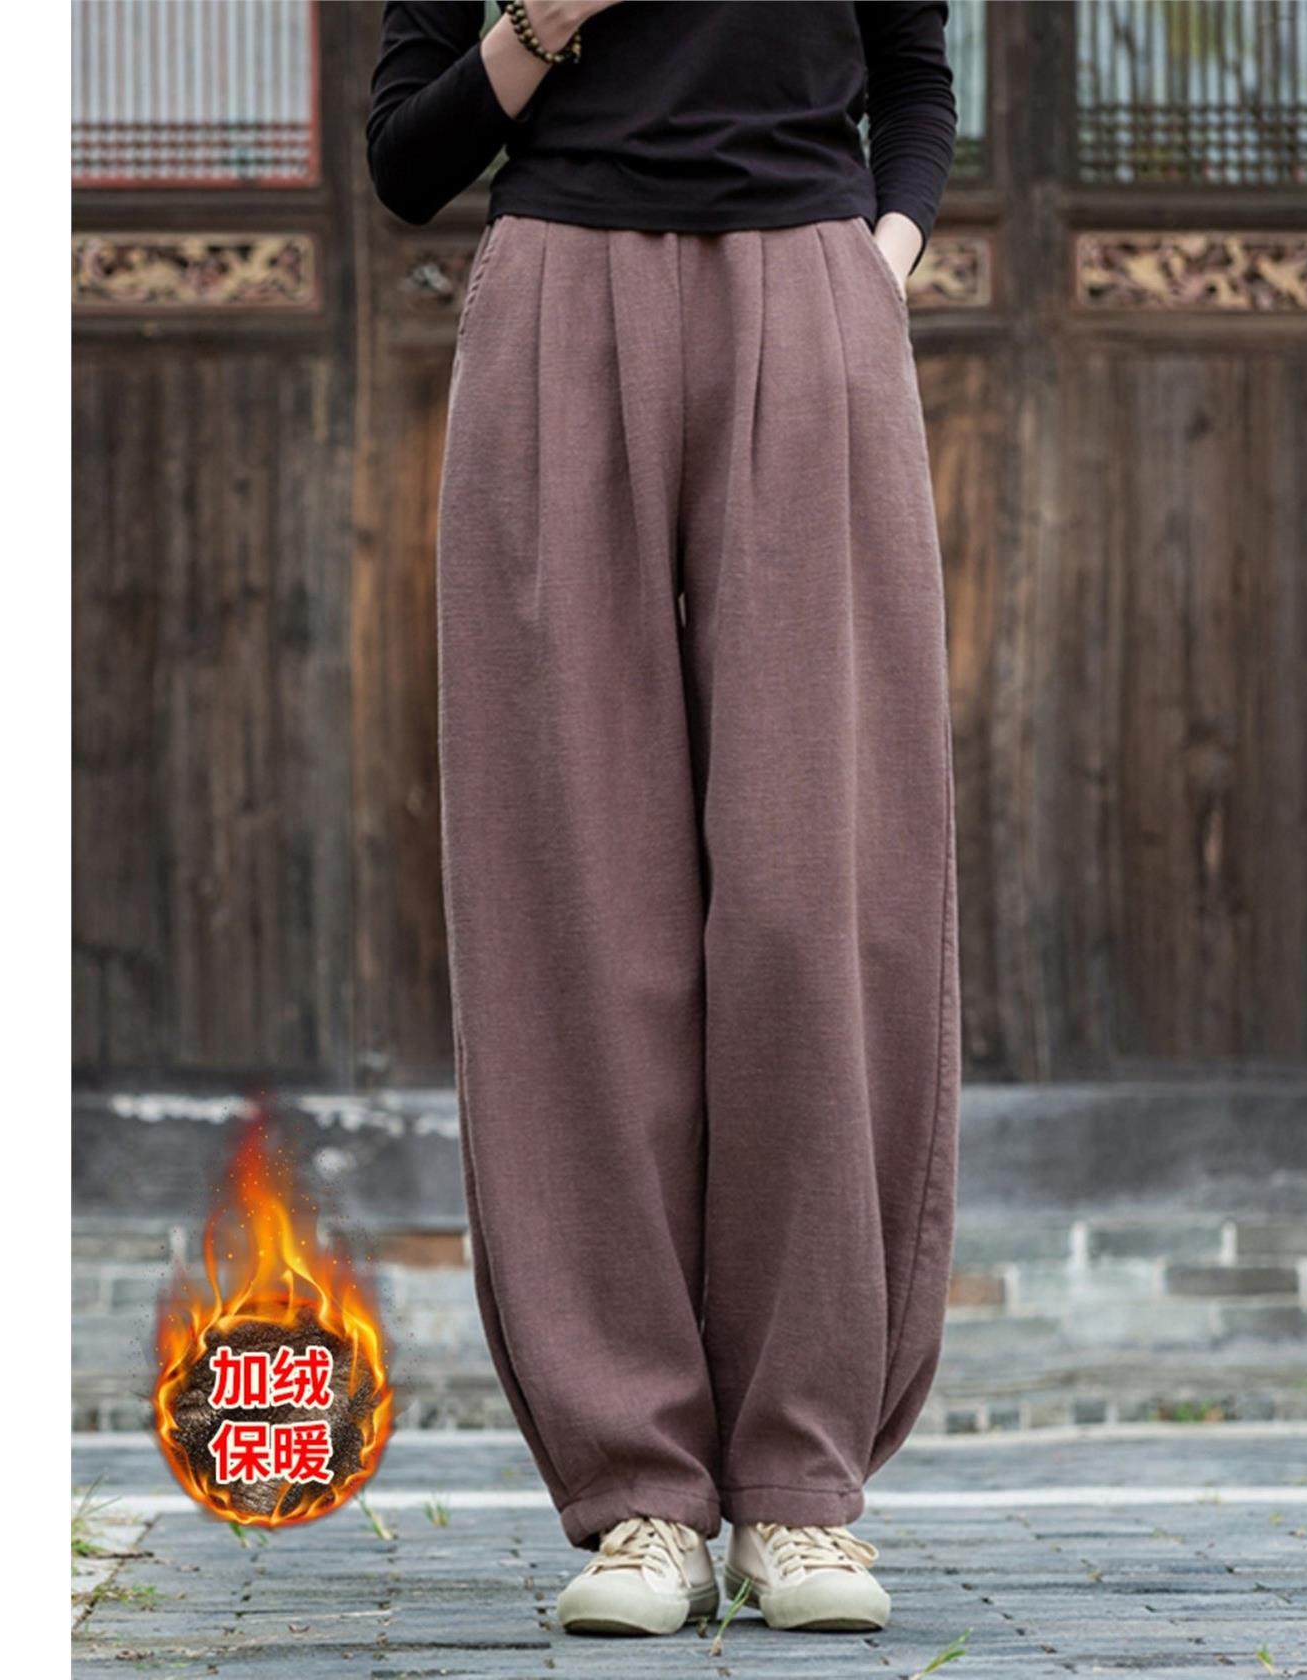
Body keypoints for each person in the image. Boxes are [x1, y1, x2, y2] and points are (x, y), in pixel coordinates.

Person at [368, 0, 959, 1638]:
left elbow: (913, 82)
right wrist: (540, 24)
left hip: (809, 298)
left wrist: (877, 264)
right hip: (560, 297)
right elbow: (405, 159)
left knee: (810, 898)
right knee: (579, 904)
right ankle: (638, 1493)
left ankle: (799, 1486)